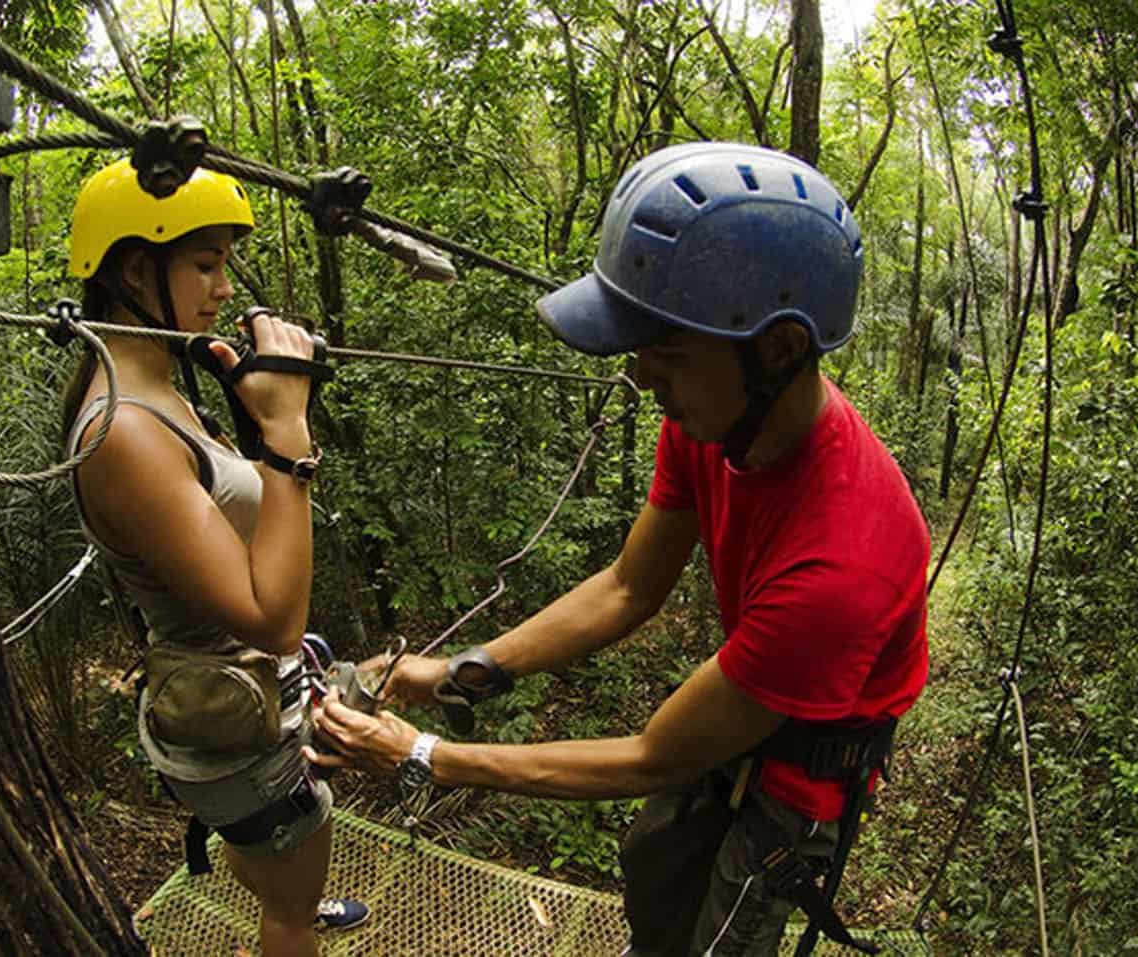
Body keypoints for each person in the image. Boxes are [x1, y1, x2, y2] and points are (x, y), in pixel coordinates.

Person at [305, 142, 929, 956]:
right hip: (741, 706)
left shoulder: (842, 566)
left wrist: (427, 755)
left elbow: (645, 757)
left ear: (777, 350)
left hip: (803, 775)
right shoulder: (714, 416)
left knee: (726, 934)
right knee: (655, 870)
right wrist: (457, 671)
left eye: (665, 354)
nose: (640, 378)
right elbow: (630, 586)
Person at [61, 158, 366, 957]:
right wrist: (290, 437)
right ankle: (286, 912)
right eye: (205, 264)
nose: (224, 288)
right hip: (240, 728)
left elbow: (231, 522)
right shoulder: (123, 431)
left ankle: (279, 891)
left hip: (242, 708)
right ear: (135, 269)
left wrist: (256, 420)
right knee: (292, 918)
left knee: (281, 879)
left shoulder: (165, 383)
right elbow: (272, 618)